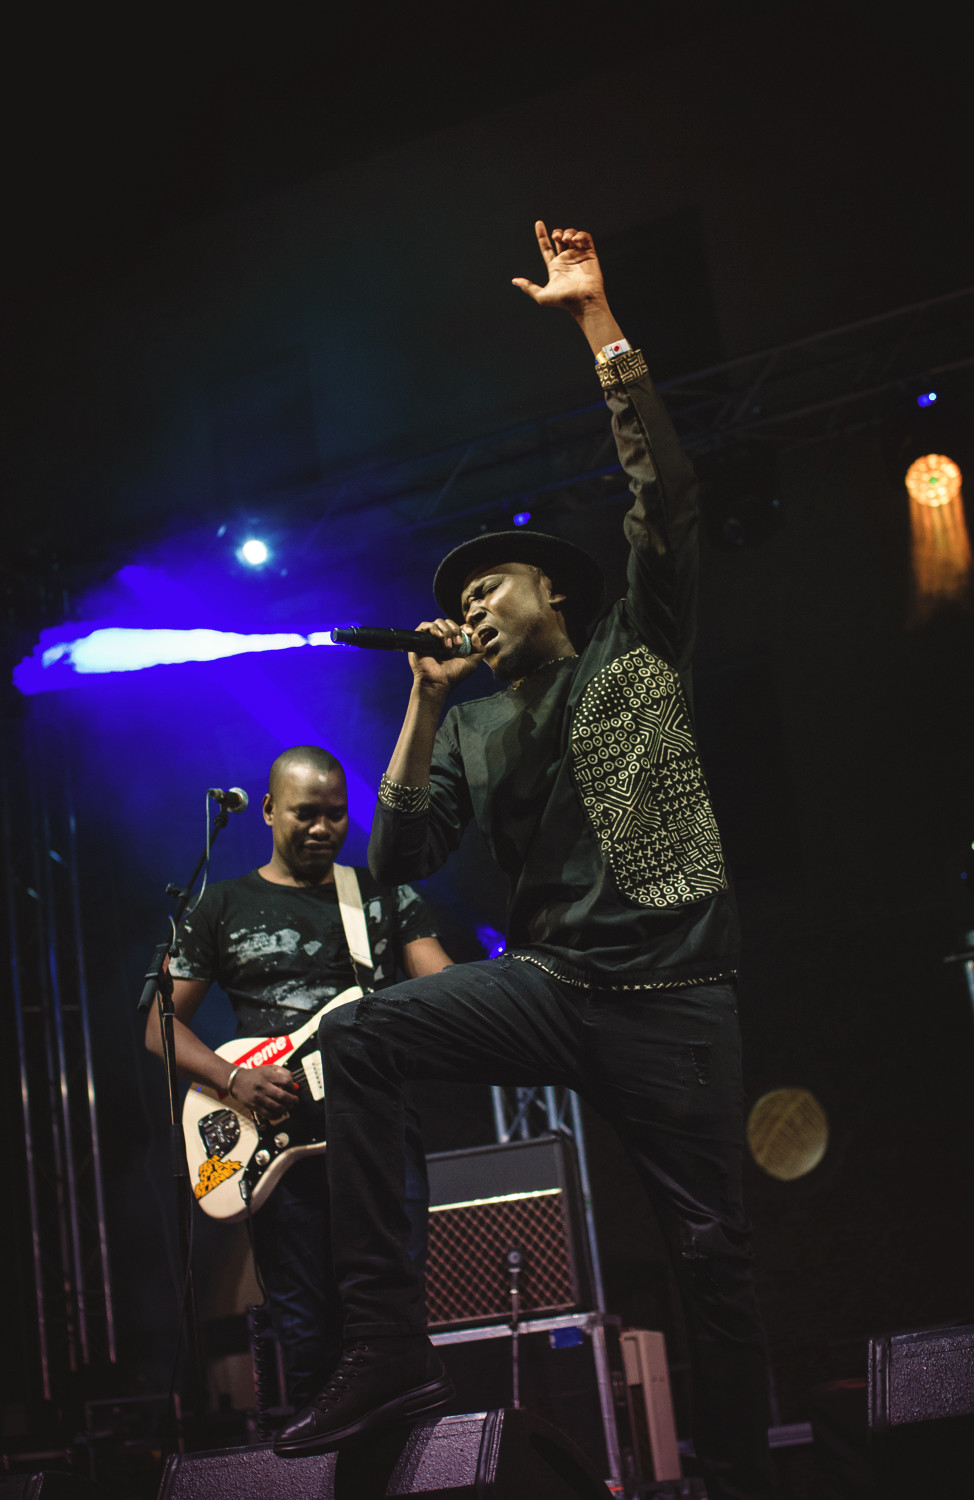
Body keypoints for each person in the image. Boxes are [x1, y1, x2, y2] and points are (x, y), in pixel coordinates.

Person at [275, 225, 775, 1499]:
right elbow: (392, 865)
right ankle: (389, 1344)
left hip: (674, 997)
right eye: (465, 596)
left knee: (712, 1255)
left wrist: (596, 323)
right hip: (554, 986)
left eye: (491, 584)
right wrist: (425, 705)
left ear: (552, 589)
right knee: (362, 1039)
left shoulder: (637, 643)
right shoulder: (477, 719)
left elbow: (668, 495)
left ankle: (731, 1474)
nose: (474, 607)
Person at [144, 744, 453, 1406]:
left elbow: (446, 993)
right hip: (278, 1139)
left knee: (396, 1314)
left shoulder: (379, 895)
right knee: (308, 1328)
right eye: (305, 814)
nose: (321, 829)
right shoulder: (219, 906)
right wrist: (232, 1079)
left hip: (378, 1133)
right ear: (267, 811)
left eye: (336, 816)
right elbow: (158, 1026)